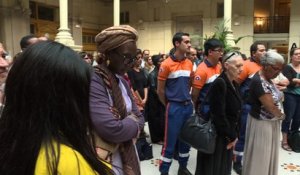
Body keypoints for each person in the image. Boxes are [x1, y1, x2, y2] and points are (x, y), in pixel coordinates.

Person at [0, 41, 113, 175]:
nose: (5, 64)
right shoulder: (70, 163)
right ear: (69, 101)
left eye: (4, 55)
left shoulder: (11, 143)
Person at [90, 25, 144, 175]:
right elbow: (111, 129)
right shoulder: (94, 80)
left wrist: (126, 122)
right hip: (105, 158)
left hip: (126, 152)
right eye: (126, 57)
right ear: (108, 53)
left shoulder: (123, 82)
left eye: (133, 58)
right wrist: (133, 123)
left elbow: (140, 117)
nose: (131, 63)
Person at [195, 51, 243, 175]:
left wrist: (235, 134)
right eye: (237, 66)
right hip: (218, 136)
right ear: (226, 65)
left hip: (227, 133)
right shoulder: (220, 83)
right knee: (214, 168)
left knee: (223, 167)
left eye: (242, 66)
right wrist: (230, 136)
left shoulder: (234, 83)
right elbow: (218, 115)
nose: (241, 69)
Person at [242, 50, 285, 175]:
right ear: (266, 66)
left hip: (270, 123)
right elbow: (270, 107)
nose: (278, 72)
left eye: (280, 69)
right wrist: (283, 116)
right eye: (276, 68)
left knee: (267, 156)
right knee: (261, 157)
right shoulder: (259, 81)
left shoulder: (267, 78)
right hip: (262, 125)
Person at [157, 32, 193, 175]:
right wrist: (168, 104)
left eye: (189, 42)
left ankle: (182, 168)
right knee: (170, 142)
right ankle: (164, 171)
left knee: (186, 140)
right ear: (177, 44)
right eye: (186, 42)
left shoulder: (190, 63)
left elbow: (190, 83)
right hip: (174, 106)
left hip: (187, 106)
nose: (189, 44)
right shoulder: (166, 64)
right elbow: (160, 90)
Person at [233, 42, 266, 174]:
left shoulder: (264, 66)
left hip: (260, 106)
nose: (265, 52)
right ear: (253, 53)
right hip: (246, 106)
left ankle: (251, 158)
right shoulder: (246, 65)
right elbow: (236, 83)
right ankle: (237, 161)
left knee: (255, 135)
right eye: (261, 50)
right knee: (243, 135)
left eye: (265, 50)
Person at [191, 38, 223, 121]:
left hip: (217, 106)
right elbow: (195, 94)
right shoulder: (202, 70)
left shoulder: (219, 66)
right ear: (210, 52)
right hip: (206, 108)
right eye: (219, 50)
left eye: (222, 50)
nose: (221, 53)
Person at [281, 47, 300, 151]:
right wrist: (294, 82)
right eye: (296, 54)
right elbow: (289, 83)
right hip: (290, 96)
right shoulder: (287, 67)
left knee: (297, 119)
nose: (299, 55)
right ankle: (284, 141)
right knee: (288, 118)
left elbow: (293, 81)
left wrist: (296, 80)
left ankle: (294, 139)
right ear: (292, 56)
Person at [145, 54, 165, 144]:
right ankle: (156, 139)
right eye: (160, 61)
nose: (162, 62)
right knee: (155, 119)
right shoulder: (152, 74)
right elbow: (154, 89)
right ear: (156, 63)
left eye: (162, 60)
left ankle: (163, 137)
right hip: (154, 100)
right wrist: (162, 97)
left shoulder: (162, 72)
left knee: (162, 119)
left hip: (161, 98)